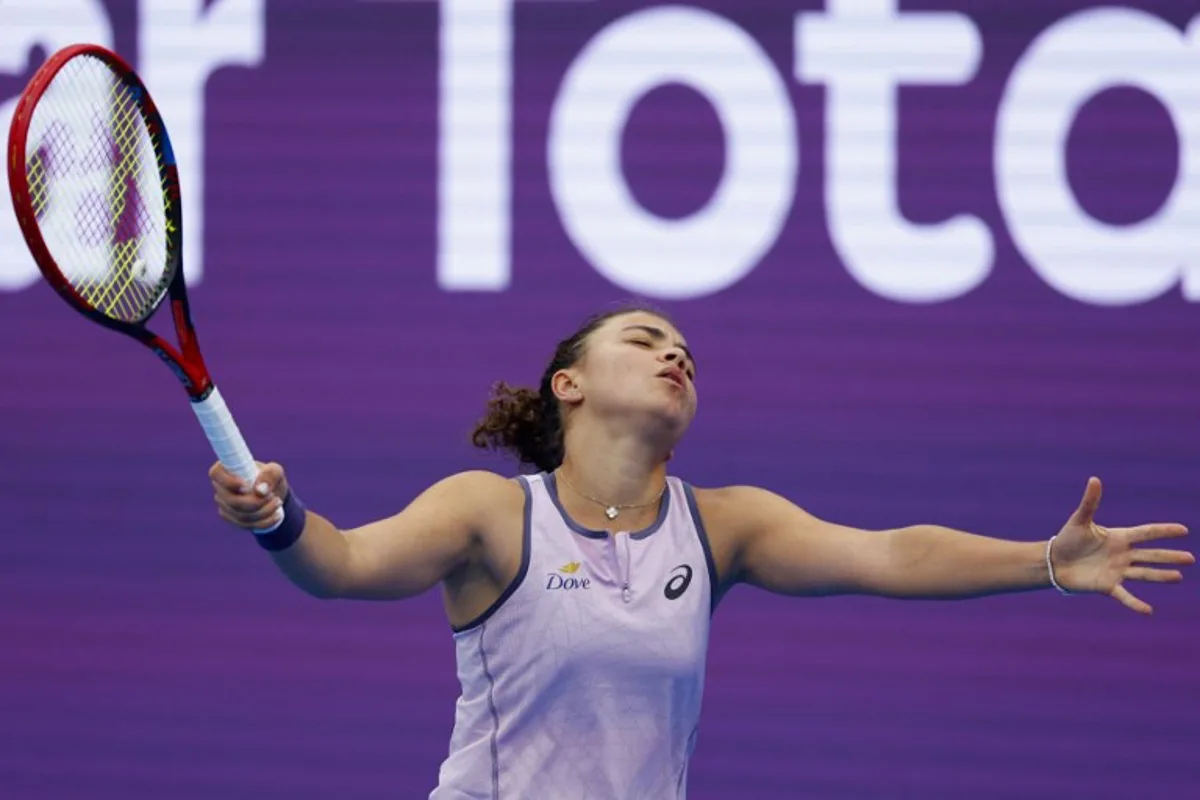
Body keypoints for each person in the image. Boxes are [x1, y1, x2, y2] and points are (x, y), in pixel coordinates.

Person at [210, 304, 1193, 799]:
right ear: (570, 383)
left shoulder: (722, 524)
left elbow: (891, 554)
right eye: (644, 340)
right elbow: (339, 563)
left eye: (686, 351)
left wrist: (1048, 561)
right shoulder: (491, 512)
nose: (675, 354)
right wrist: (279, 521)